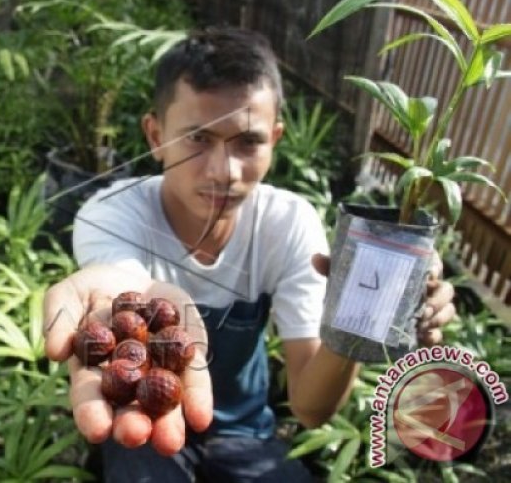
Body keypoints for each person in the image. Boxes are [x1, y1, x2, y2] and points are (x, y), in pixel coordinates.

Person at [43, 27, 456, 482]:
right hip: (143, 413)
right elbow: (120, 282)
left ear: (275, 138)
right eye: (197, 139)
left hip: (243, 432)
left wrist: (357, 318)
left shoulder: (288, 224)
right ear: (155, 135)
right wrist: (127, 300)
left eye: (248, 142)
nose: (224, 171)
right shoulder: (111, 214)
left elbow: (311, 408)